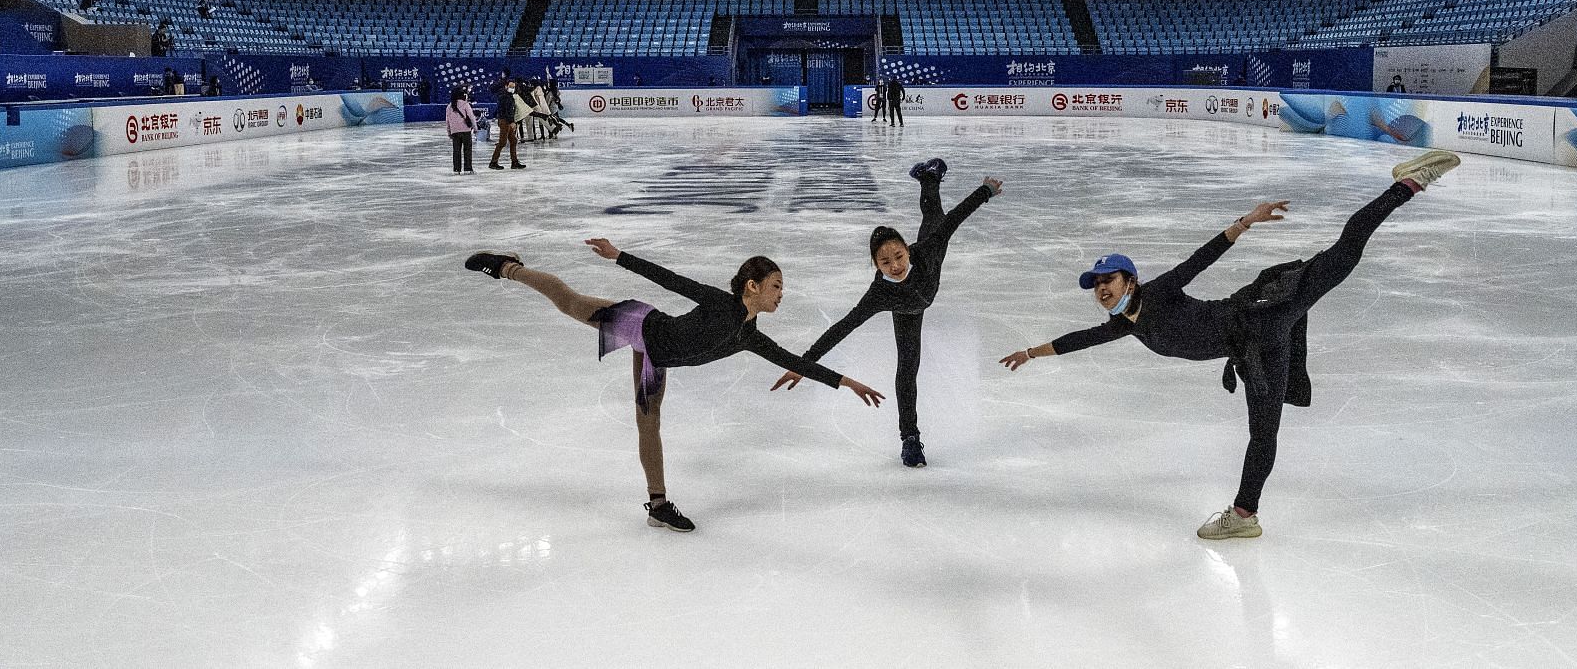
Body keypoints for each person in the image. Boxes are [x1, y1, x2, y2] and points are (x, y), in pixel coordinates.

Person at [999, 148, 1462, 541]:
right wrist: (1031, 352)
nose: (1102, 290)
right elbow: (1079, 339)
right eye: (1096, 284)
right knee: (1264, 432)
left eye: (1109, 281)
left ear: (1130, 281)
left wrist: (1247, 221)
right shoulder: (1126, 325)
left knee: (1341, 257)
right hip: (1256, 351)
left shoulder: (1157, 292)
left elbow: (1201, 257)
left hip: (1261, 313)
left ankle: (1406, 185)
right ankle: (1245, 517)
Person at [463, 238, 885, 532]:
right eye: (776, 286)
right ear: (752, 287)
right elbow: (672, 281)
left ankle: (658, 506)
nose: (781, 295)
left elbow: (792, 361)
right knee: (570, 302)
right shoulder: (723, 304)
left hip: (655, 357)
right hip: (640, 322)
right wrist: (618, 256)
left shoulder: (749, 336)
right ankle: (507, 267)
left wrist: (848, 382)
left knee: (649, 426)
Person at [773, 158, 1001, 467]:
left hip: (930, 273)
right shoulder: (880, 293)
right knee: (907, 371)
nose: (895, 265)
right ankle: (910, 438)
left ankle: (929, 177)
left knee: (936, 219)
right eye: (885, 262)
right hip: (908, 312)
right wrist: (804, 364)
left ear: (907, 249)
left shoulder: (926, 251)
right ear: (876, 265)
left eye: (898, 255)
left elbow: (956, 219)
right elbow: (842, 327)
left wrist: (985, 190)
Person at [488, 70, 525, 171]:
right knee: (502, 142)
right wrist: (512, 121)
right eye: (511, 86)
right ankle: (493, 162)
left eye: (513, 87)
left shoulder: (508, 96)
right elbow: (505, 111)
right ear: (506, 86)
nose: (512, 88)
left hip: (506, 120)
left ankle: (514, 162)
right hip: (505, 121)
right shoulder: (504, 96)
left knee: (513, 140)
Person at [445, 85, 477, 175]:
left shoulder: (449, 107)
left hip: (455, 132)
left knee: (456, 151)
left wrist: (449, 132)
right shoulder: (465, 104)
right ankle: (468, 169)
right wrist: (475, 128)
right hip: (466, 131)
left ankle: (456, 170)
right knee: (467, 150)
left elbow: (447, 121)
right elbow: (471, 117)